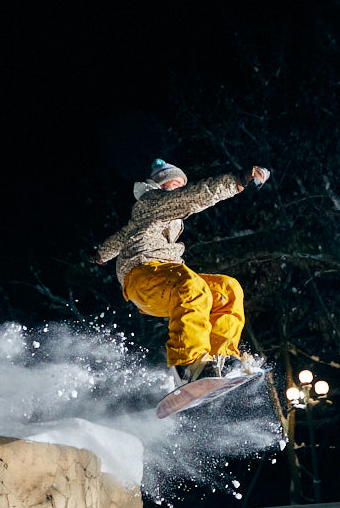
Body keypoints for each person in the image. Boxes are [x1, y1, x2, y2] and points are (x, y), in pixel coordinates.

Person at [92, 158, 271, 384]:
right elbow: (194, 197)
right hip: (142, 275)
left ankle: (220, 358)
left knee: (227, 288)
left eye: (181, 184)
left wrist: (101, 253)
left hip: (164, 280)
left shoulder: (149, 216)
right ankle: (189, 363)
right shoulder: (153, 201)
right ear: (160, 186)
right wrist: (237, 181)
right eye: (174, 184)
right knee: (191, 284)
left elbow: (124, 235)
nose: (179, 189)